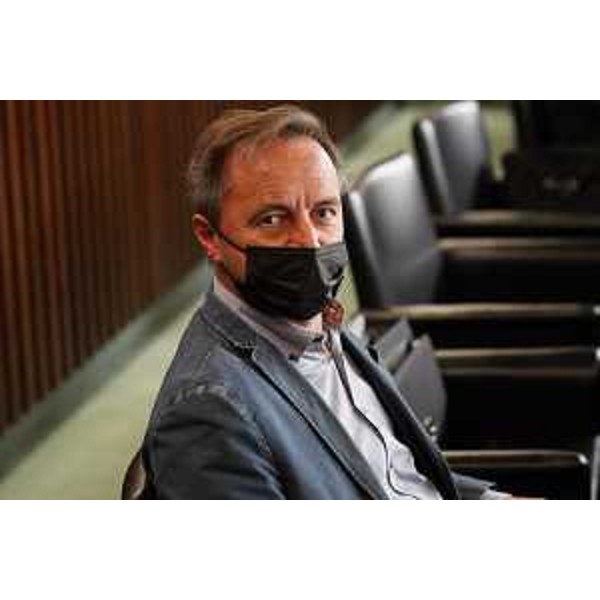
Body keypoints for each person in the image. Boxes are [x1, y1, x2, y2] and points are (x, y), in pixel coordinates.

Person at [140, 104, 508, 499]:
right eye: (272, 219)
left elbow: (397, 473)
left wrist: (491, 500)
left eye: (324, 212)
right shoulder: (205, 411)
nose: (309, 240)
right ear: (209, 237)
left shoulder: (321, 324)